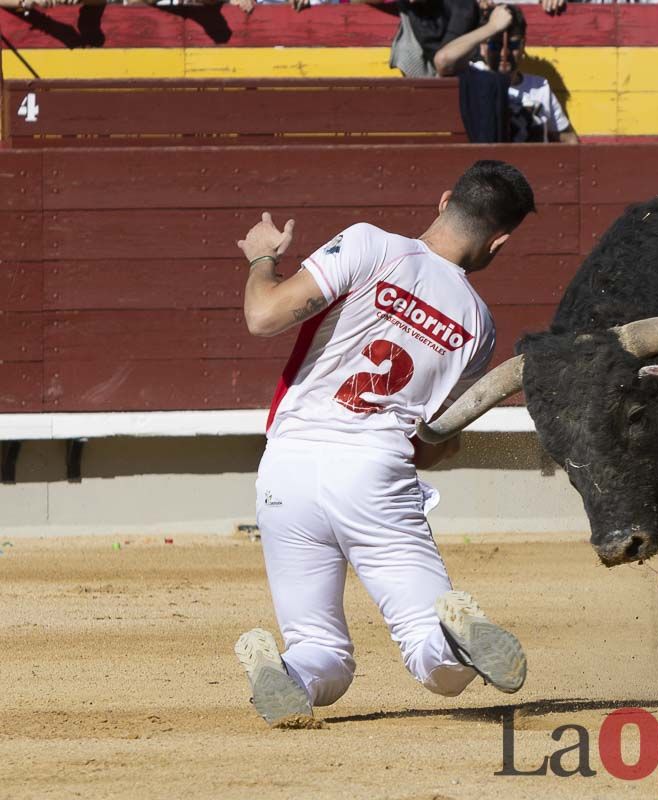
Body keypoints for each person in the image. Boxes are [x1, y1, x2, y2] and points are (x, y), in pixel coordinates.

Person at [232, 160, 536, 726]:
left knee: (319, 648)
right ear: (501, 241)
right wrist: (445, 448)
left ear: (445, 199)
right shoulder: (479, 324)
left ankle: (290, 673)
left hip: (286, 468)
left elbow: (263, 315)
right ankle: (454, 640)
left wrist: (261, 258)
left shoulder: (369, 245)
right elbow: (431, 442)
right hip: (373, 469)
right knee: (430, 655)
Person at [471, 5, 579, 143]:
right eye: (495, 46)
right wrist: (491, 28)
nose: (504, 53)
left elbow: (568, 138)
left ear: (523, 46)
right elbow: (444, 60)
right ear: (482, 46)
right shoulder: (471, 75)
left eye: (513, 45)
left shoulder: (540, 86)